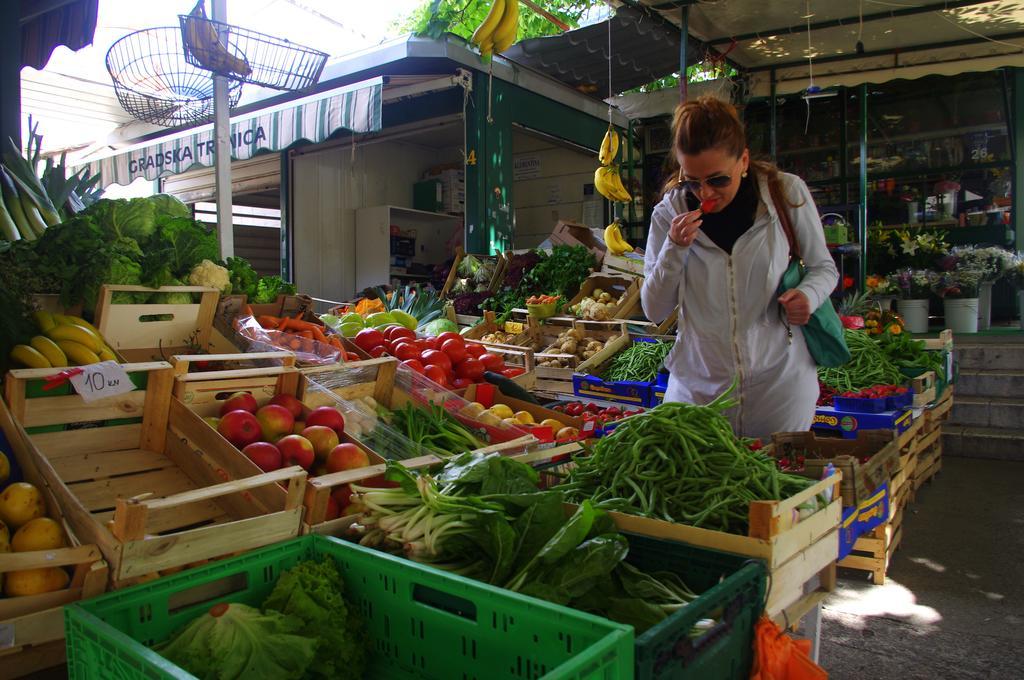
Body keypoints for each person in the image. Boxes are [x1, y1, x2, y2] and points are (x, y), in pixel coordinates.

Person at [641, 96, 838, 439]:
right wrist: (674, 248)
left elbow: (824, 268)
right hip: (697, 391)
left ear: (744, 160)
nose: (705, 194)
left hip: (780, 386)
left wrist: (808, 295)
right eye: (691, 181)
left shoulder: (785, 194)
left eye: (718, 180)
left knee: (775, 486)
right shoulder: (668, 214)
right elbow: (654, 309)